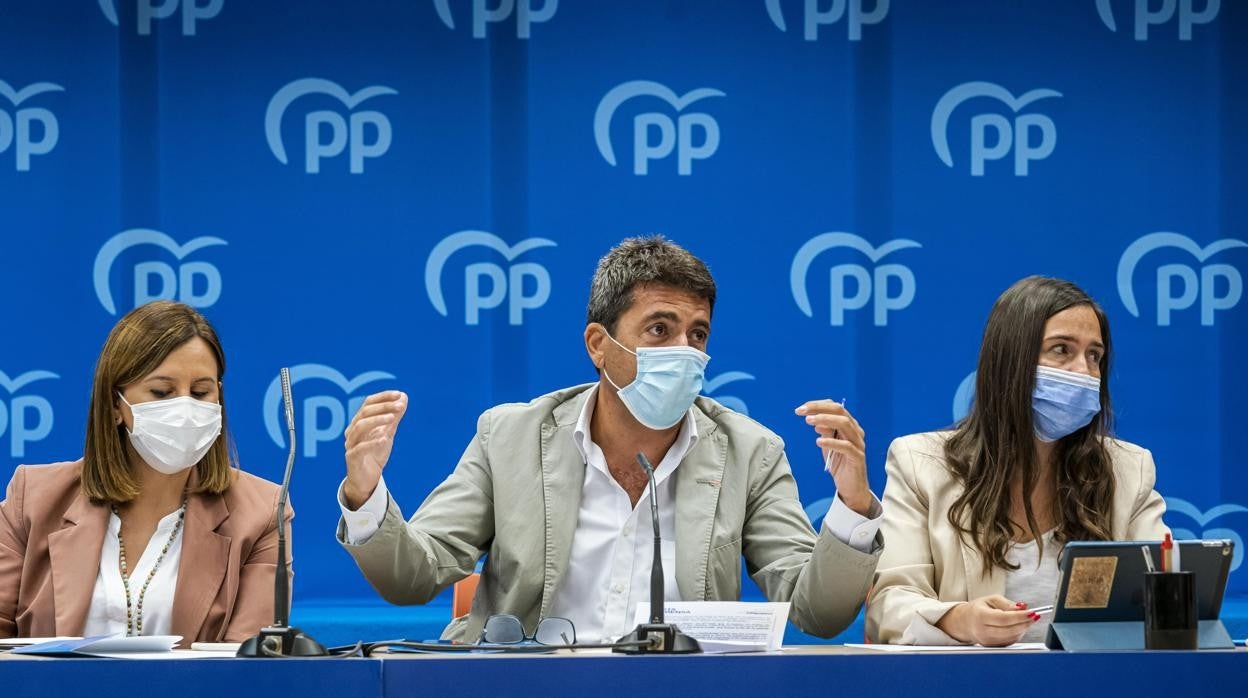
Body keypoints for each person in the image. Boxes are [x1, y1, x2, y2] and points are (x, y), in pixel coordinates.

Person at [338, 236, 883, 643]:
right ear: (599, 345)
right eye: (659, 329)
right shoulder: (510, 437)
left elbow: (817, 612)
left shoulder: (750, 451)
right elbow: (413, 578)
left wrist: (853, 505)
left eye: (698, 334)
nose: (685, 351)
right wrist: (366, 497)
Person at [867, 276, 1169, 646]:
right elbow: (888, 605)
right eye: (1061, 350)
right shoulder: (921, 464)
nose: (1084, 371)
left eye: (1094, 356)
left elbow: (1166, 593)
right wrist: (958, 619)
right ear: (1011, 361)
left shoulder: (1128, 470)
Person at [0, 301, 291, 645]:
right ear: (114, 405)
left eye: (200, 392)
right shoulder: (32, 498)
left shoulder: (262, 513)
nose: (185, 408)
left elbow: (248, 668)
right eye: (161, 392)